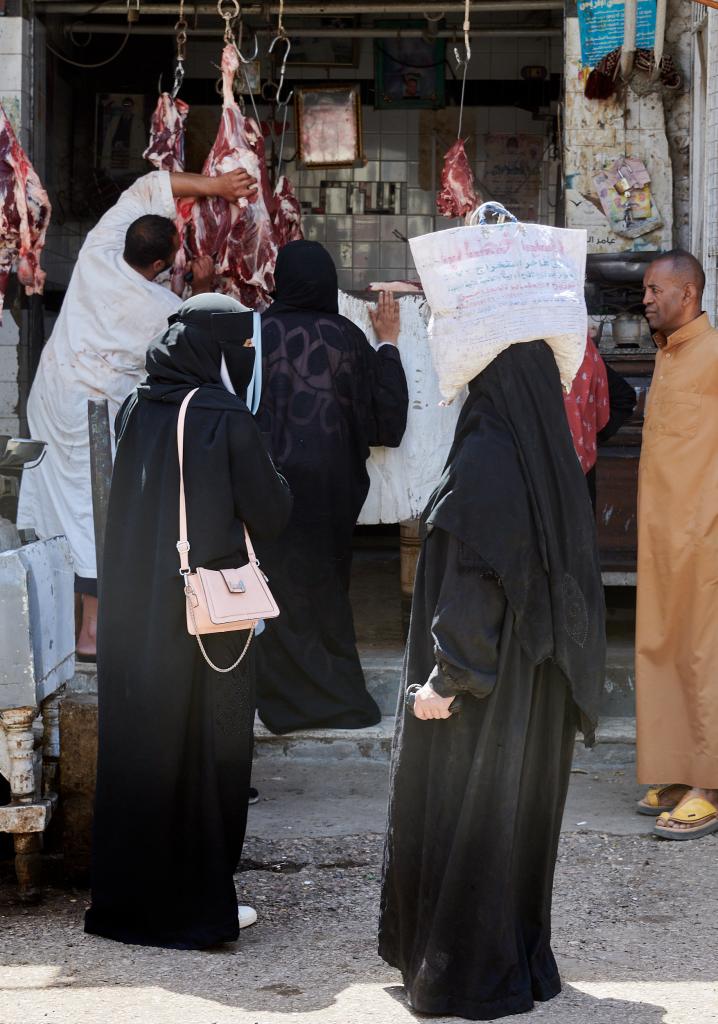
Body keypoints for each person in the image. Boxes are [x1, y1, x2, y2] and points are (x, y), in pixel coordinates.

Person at [379, 339, 606, 1020]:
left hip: (483, 691)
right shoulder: (544, 456)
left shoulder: (486, 458)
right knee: (511, 829)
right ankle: (517, 963)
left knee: (470, 822)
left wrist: (447, 683)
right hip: (531, 684)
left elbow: (475, 588)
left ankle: (468, 975)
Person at [84, 293, 292, 949]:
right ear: (218, 349)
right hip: (208, 616)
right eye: (243, 344)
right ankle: (200, 904)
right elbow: (272, 512)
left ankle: (132, 903)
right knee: (212, 753)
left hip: (139, 611)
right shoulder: (224, 415)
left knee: (147, 748)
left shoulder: (139, 408)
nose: (248, 356)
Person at [17, 167, 257, 659]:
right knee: (92, 511)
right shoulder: (159, 307)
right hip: (90, 413)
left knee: (56, 503)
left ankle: (57, 620)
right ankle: (91, 635)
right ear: (158, 266)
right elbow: (197, 335)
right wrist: (202, 287)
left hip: (50, 394)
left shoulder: (99, 250)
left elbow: (152, 184)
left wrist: (217, 187)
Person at [254, 240, 409, 734]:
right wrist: (388, 343)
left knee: (273, 590)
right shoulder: (346, 337)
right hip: (332, 488)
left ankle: (283, 705)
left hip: (265, 488)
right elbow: (388, 424)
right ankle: (340, 700)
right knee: (326, 589)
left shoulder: (252, 334)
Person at [635, 250, 718, 840]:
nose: (646, 299)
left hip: (704, 539)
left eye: (655, 289)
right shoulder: (670, 356)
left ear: (687, 294)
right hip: (662, 539)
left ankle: (707, 785)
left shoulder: (714, 356)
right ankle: (673, 766)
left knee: (701, 658)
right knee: (659, 650)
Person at [563, 333, 636, 508]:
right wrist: (585, 438)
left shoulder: (580, 350)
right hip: (575, 471)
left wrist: (588, 437)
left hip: (532, 475)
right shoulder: (579, 347)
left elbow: (623, 397)